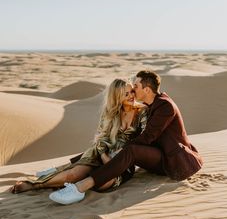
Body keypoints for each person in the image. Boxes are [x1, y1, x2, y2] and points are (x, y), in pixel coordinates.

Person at [49, 70, 203, 205]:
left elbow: (148, 137)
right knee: (116, 148)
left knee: (131, 150)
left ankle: (80, 188)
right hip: (160, 154)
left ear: (147, 89)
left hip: (175, 163)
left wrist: (120, 151)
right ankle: (63, 170)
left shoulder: (165, 106)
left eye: (136, 86)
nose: (133, 90)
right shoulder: (151, 105)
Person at [10, 78, 148, 194]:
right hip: (101, 153)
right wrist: (104, 156)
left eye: (132, 92)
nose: (131, 96)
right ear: (116, 97)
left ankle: (74, 182)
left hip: (123, 160)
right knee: (73, 174)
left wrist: (115, 159)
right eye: (126, 94)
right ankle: (36, 185)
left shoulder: (142, 111)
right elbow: (100, 137)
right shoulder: (110, 113)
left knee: (103, 185)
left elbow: (143, 138)